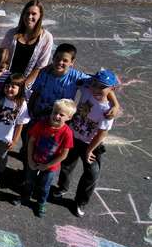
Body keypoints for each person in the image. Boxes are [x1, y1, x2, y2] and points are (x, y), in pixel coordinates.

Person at [51, 70, 119, 218]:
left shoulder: (108, 110)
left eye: (101, 87)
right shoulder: (87, 89)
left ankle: (80, 201)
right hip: (74, 136)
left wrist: (89, 150)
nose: (96, 89)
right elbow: (89, 77)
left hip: (92, 144)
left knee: (92, 174)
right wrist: (115, 101)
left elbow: (102, 133)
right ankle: (62, 187)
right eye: (94, 84)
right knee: (67, 163)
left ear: (111, 89)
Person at [28, 43, 119, 121]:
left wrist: (115, 105)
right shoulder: (44, 72)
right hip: (38, 117)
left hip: (60, 121)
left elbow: (102, 84)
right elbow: (35, 93)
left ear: (72, 62)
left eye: (65, 60)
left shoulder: (76, 77)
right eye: (57, 58)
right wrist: (28, 113)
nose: (60, 62)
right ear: (53, 57)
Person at [23, 99, 76, 217]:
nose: (56, 116)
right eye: (55, 112)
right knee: (29, 180)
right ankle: (25, 196)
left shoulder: (67, 133)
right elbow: (31, 141)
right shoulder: (41, 124)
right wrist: (30, 160)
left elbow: (64, 154)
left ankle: (41, 202)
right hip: (34, 160)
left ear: (69, 117)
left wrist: (47, 165)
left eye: (61, 115)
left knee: (44, 186)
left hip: (50, 166)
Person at [0, 0, 53, 87]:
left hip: (27, 85)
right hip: (7, 81)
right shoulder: (12, 33)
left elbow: (40, 67)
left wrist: (23, 85)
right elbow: (2, 55)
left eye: (34, 14)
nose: (29, 17)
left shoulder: (46, 38)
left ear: (40, 16)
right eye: (27, 13)